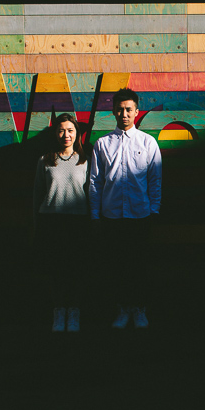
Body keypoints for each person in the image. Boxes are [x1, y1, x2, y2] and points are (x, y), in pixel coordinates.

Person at [89, 87, 162, 328]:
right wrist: (95, 215)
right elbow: (95, 181)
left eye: (128, 109)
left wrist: (154, 211)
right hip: (111, 217)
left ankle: (140, 310)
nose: (124, 114)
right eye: (119, 110)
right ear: (113, 111)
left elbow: (155, 180)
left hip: (140, 215)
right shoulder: (102, 144)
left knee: (139, 267)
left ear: (137, 112)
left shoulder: (148, 142)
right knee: (116, 267)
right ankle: (122, 310)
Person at [33, 113, 90, 332]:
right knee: (55, 270)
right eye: (61, 130)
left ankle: (73, 312)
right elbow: (37, 193)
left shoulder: (85, 160)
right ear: (55, 134)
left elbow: (91, 192)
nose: (66, 135)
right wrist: (36, 223)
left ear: (77, 134)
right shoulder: (45, 160)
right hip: (51, 221)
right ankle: (58, 312)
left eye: (70, 130)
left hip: (77, 222)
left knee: (76, 269)